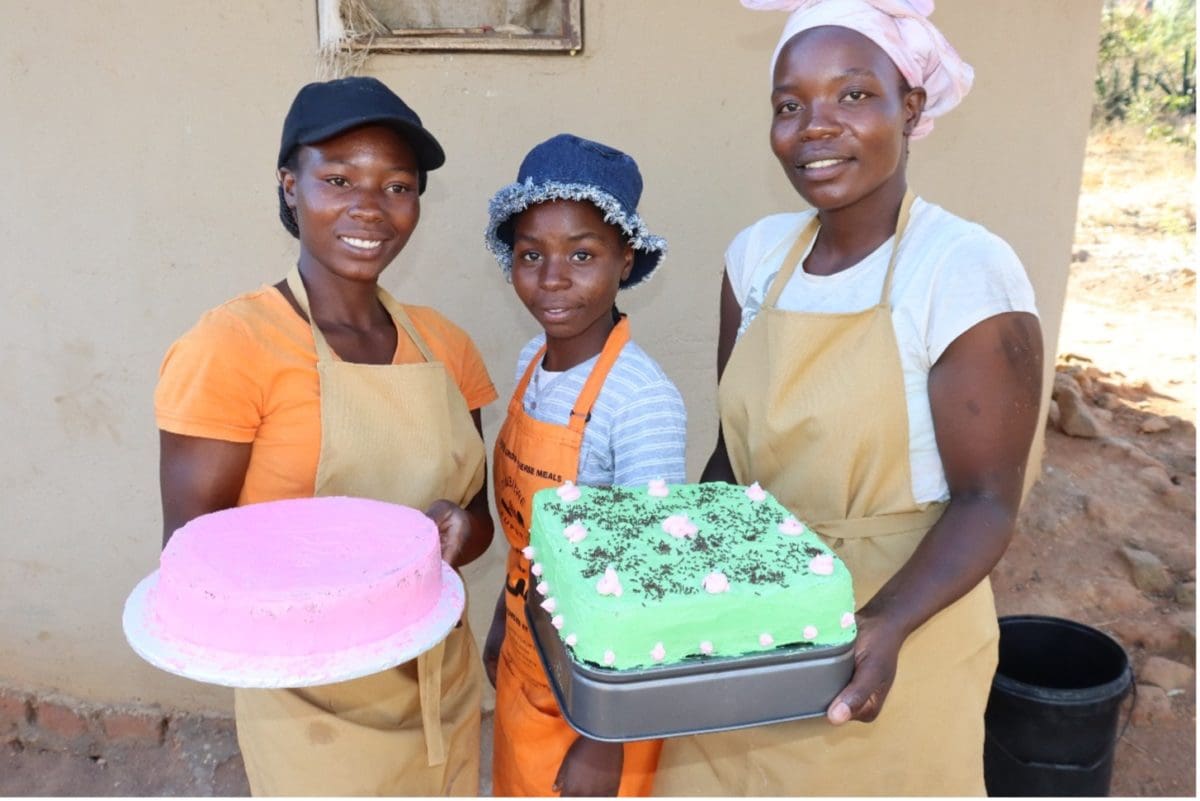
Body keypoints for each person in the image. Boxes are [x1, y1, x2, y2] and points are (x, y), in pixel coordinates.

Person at [652, 0, 1044, 795]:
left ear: (911, 105)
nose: (815, 125)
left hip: (900, 629)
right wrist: (678, 586)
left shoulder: (961, 269)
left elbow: (986, 502)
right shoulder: (756, 257)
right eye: (789, 104)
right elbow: (733, 455)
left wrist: (886, 623)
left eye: (854, 94)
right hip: (752, 617)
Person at [154, 76, 496, 796]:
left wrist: (459, 529)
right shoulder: (232, 346)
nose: (369, 207)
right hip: (307, 700)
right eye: (339, 178)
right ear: (289, 185)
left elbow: (482, 518)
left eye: (397, 186)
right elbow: (192, 558)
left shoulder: (446, 347)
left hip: (439, 674)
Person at [481, 134, 688, 796]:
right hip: (526, 661)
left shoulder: (642, 401)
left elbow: (651, 587)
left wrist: (604, 744)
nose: (553, 279)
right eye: (531, 255)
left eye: (582, 255)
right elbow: (526, 537)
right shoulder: (528, 366)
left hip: (601, 699)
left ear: (625, 259)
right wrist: (500, 622)